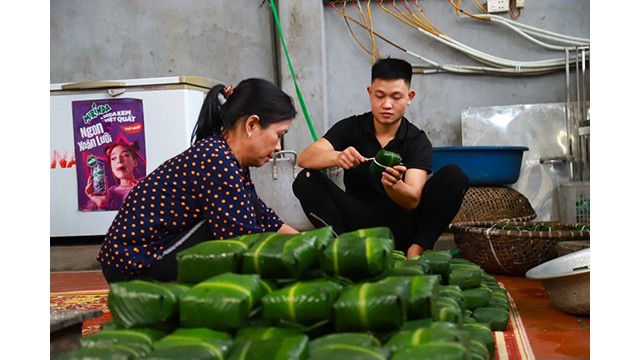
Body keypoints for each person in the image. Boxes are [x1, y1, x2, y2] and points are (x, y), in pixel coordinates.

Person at [98, 78, 300, 283]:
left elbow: (263, 216)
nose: (278, 147)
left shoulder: (229, 158)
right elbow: (243, 238)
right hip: (136, 268)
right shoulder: (216, 159)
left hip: (151, 259)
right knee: (233, 236)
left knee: (246, 210)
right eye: (279, 134)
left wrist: (309, 244)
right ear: (252, 125)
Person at [292, 57, 469, 258]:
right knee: (306, 179)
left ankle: (416, 250)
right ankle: (343, 249)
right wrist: (338, 157)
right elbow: (304, 158)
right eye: (379, 96)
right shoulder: (351, 127)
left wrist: (395, 186)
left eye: (396, 97)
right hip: (356, 221)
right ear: (370, 93)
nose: (387, 104)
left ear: (409, 97)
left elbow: (412, 200)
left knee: (454, 176)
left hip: (402, 225)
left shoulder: (416, 140)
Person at [84, 139, 144, 211]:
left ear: (135, 162)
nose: (119, 160)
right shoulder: (110, 193)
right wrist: (101, 204)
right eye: (113, 158)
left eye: (125, 155)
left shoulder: (146, 185)